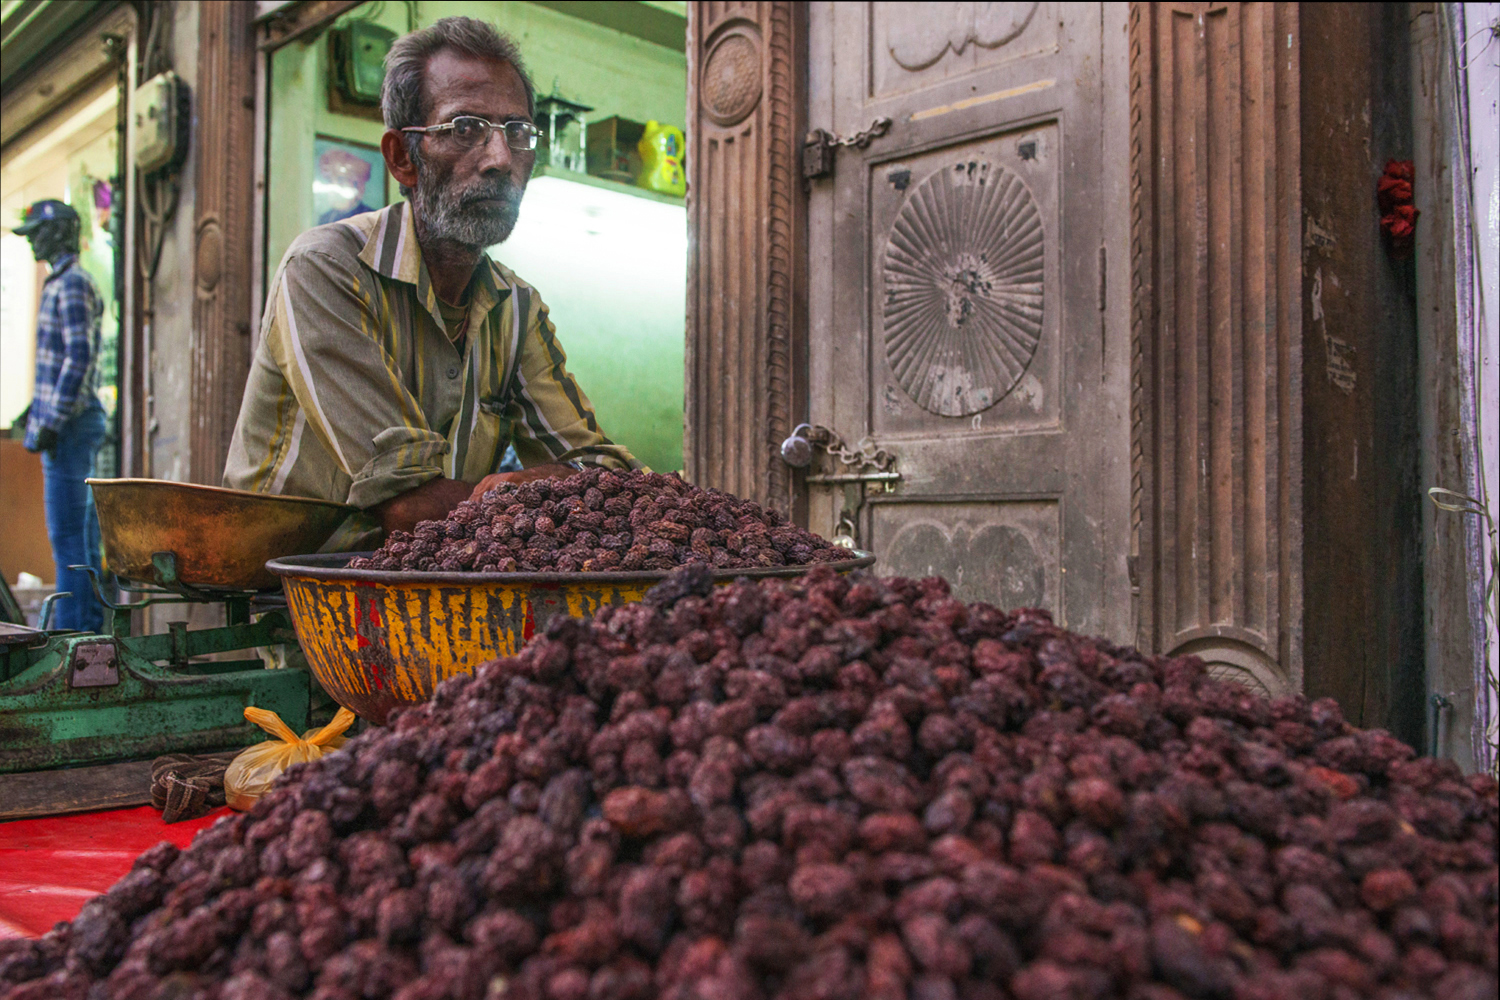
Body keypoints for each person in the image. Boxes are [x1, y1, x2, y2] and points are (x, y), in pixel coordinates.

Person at [225, 16, 638, 548]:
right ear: (402, 158)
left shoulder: (516, 307)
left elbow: (605, 474)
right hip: (293, 584)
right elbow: (408, 503)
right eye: (464, 128)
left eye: (517, 133)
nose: (500, 159)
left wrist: (550, 483)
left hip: (428, 577)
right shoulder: (326, 268)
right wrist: (532, 497)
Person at [15, 199, 107, 631]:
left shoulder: (70, 284)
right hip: (70, 421)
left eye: (36, 232)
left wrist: (50, 421)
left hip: (70, 425)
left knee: (69, 536)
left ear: (57, 233)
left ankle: (72, 634)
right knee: (79, 536)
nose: (31, 241)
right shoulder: (64, 282)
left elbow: (78, 357)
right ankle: (84, 629)